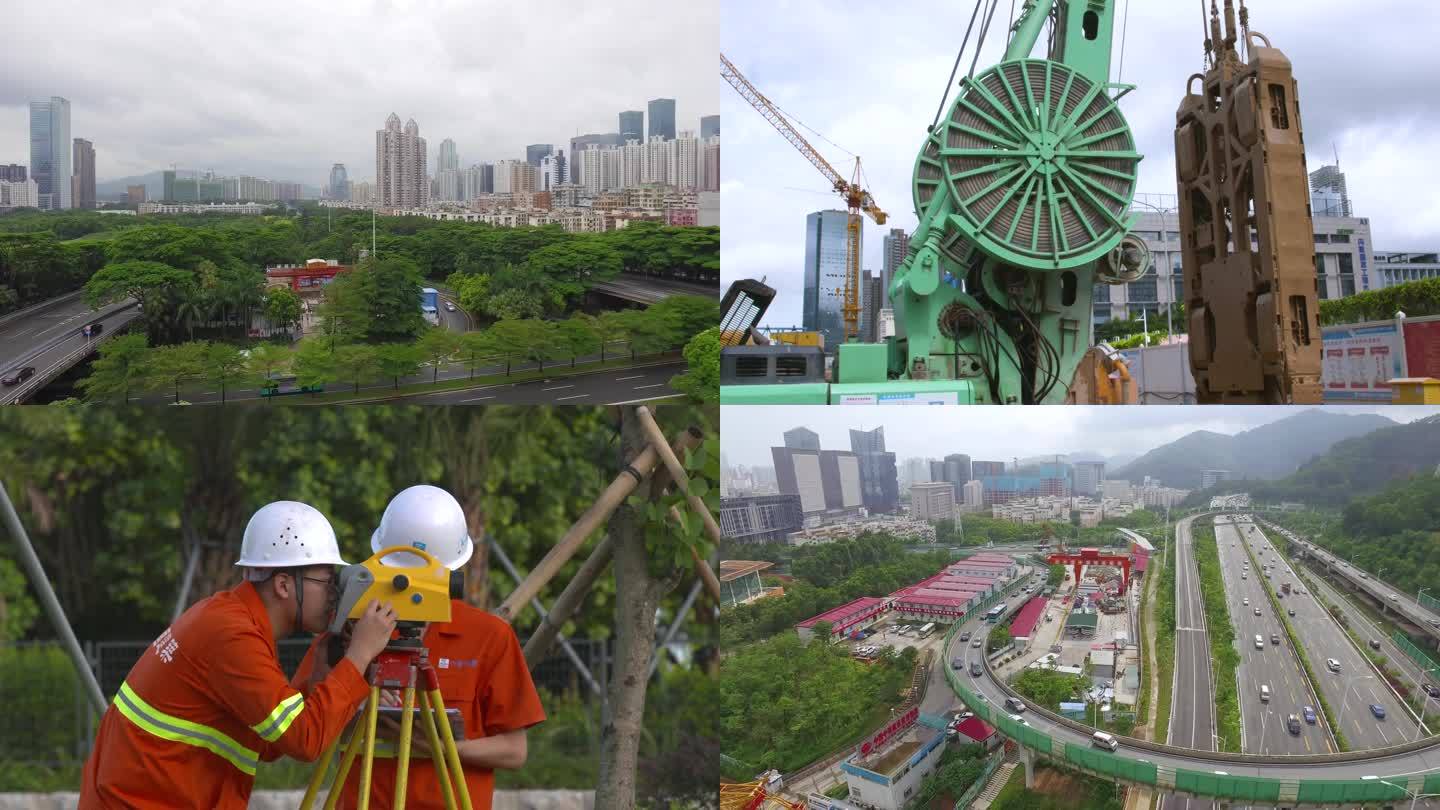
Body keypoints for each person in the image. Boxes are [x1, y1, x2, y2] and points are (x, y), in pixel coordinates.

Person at [80, 501, 398, 809]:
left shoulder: (233, 620)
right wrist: (360, 655)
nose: (334, 594)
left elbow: (270, 742)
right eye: (327, 581)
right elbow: (304, 740)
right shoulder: (233, 636)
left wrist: (319, 677)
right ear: (284, 585)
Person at [292, 484, 545, 810]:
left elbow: (514, 751)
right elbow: (304, 729)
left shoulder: (488, 636)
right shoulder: (349, 631)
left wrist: (439, 746)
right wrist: (352, 680)